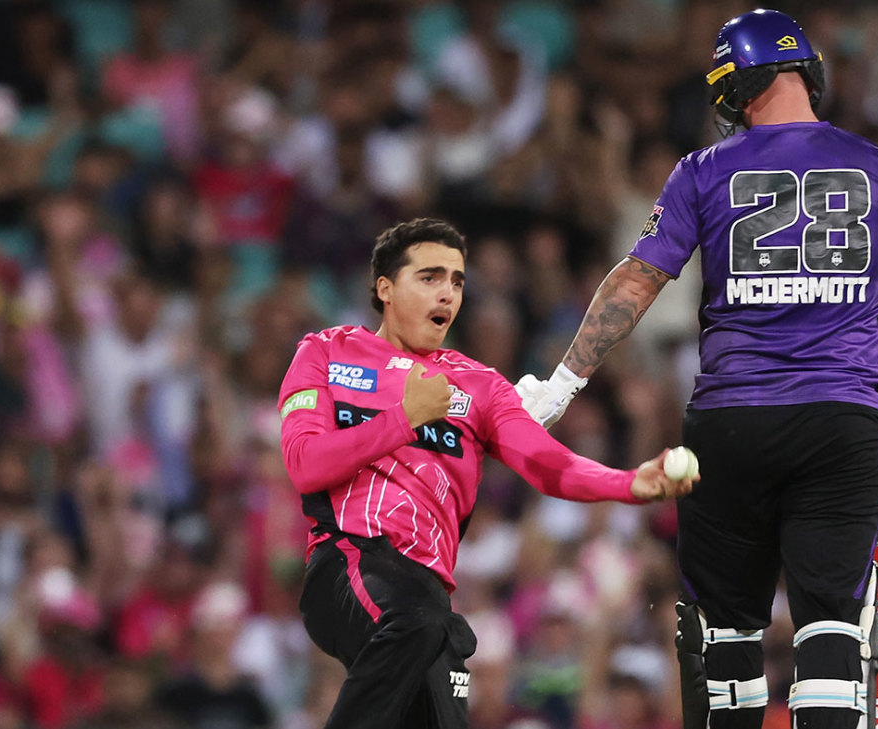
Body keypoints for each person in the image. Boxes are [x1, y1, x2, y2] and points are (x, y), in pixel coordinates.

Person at [515, 9, 878, 729]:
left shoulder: (703, 169)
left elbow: (636, 281)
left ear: (735, 89)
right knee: (830, 628)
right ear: (808, 74)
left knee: (726, 635)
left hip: (730, 423)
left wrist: (562, 382)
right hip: (840, 425)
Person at [277, 218, 694, 729]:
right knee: (417, 624)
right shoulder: (325, 351)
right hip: (348, 562)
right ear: (385, 288)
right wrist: (405, 418)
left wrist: (628, 483)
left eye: (456, 281)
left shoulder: (481, 386)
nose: (447, 293)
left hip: (429, 596)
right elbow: (304, 464)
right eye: (430, 277)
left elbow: (548, 464)